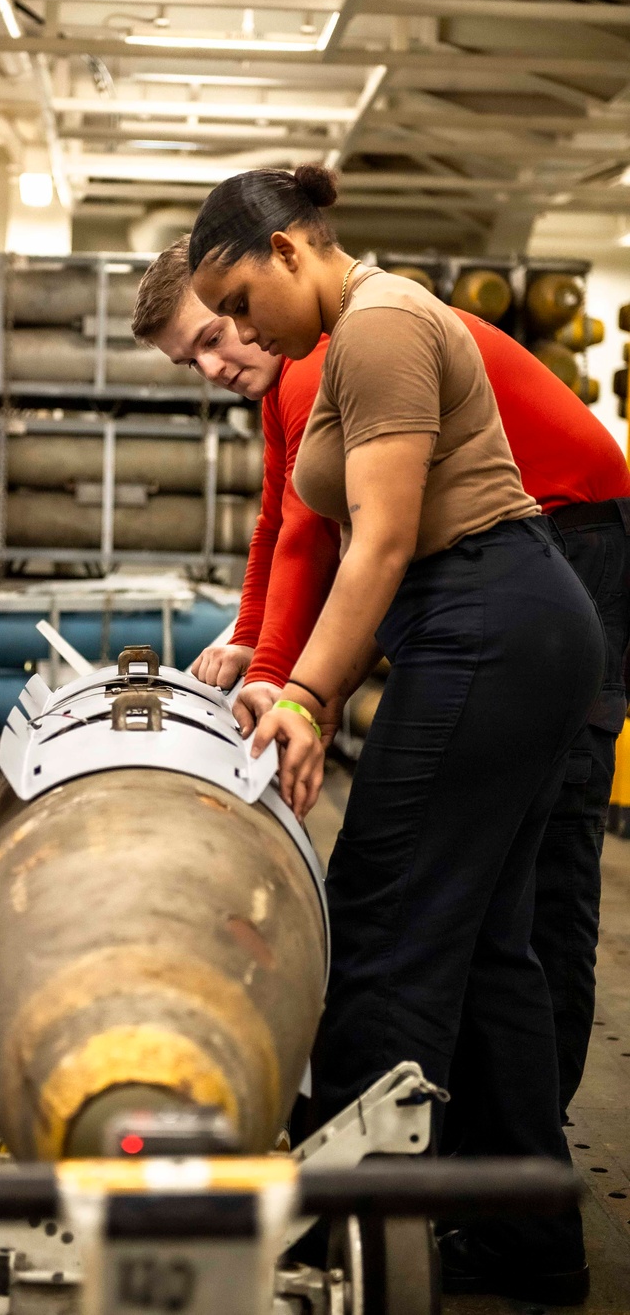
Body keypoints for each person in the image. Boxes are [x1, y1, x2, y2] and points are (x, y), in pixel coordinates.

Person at [183, 167, 608, 1306]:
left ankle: (339, 1238)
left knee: (383, 919)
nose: (234, 327)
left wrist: (305, 698)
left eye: (234, 298)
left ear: (286, 250)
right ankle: (526, 1241)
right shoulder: (351, 337)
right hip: (502, 622)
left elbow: (377, 545)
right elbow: (300, 527)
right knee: (488, 947)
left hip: (488, 622)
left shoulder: (376, 330)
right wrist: (279, 668)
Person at [134, 237, 630, 1133]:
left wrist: (292, 688)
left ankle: (501, 1143)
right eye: (195, 355)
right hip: (515, 575)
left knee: (511, 870)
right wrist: (256, 645)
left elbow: (331, 539)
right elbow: (285, 514)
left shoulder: (334, 344)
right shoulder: (295, 359)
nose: (218, 358)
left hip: (562, 541)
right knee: (481, 904)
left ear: (276, 273)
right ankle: (504, 1182)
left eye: (222, 328)